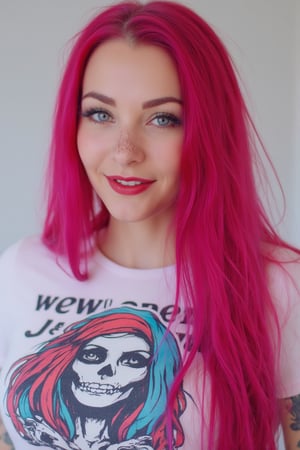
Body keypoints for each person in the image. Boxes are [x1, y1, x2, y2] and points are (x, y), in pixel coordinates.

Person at [0, 1, 299, 449]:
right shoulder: (22, 269)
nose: (125, 151)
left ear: (209, 130)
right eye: (100, 113)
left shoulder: (277, 283)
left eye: (163, 118)